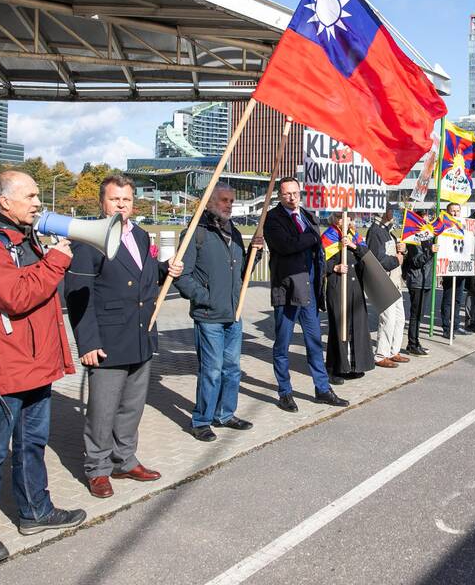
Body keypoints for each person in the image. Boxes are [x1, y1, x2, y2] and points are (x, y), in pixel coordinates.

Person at [0, 171, 85, 564]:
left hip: (35, 361)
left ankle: (35, 512)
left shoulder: (21, 239)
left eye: (38, 195)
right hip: (4, 365)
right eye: (30, 195)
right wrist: (58, 258)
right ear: (5, 202)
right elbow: (17, 295)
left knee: (32, 443)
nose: (38, 202)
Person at [65, 175, 183, 497]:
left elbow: (143, 276)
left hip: (140, 333)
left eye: (127, 200)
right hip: (107, 340)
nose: (121, 205)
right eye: (115, 199)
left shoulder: (142, 237)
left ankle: (125, 459)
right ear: (103, 203)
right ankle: (98, 468)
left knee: (132, 406)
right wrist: (88, 343)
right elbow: (78, 295)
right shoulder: (89, 240)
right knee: (102, 411)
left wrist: (165, 269)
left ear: (133, 203)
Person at [173, 182, 255, 443]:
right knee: (211, 369)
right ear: (209, 202)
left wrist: (256, 254)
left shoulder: (236, 233)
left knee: (232, 368)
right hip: (209, 317)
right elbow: (182, 276)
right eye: (223, 200)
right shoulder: (196, 233)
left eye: (231, 200)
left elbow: (242, 274)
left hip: (234, 314)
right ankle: (202, 420)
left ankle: (225, 413)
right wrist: (205, 299)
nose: (228, 205)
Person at [263, 177, 348, 412]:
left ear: (300, 192)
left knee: (314, 343)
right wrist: (311, 238)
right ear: (280, 196)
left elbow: (318, 251)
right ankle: (285, 392)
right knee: (282, 344)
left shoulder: (309, 216)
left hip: (310, 290)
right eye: (287, 194)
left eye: (295, 193)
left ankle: (322, 389)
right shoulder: (272, 219)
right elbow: (286, 246)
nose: (292, 197)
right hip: (288, 290)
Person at [324, 213, 375, 377]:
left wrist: (353, 246)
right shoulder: (328, 236)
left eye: (348, 218)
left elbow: (367, 255)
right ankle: (338, 367)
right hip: (338, 285)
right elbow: (317, 262)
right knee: (340, 327)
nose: (345, 221)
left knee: (357, 327)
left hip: (355, 286)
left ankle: (356, 365)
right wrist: (334, 268)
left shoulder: (355, 236)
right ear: (334, 219)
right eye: (341, 218)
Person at [366, 207, 408, 367]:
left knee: (399, 318)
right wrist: (396, 260)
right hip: (384, 281)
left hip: (395, 281)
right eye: (391, 211)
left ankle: (393, 351)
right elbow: (377, 258)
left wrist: (403, 251)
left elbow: (395, 253)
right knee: (388, 319)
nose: (394, 214)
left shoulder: (388, 230)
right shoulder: (375, 231)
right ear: (383, 213)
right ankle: (381, 355)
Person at [401, 226, 435, 356]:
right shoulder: (413, 240)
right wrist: (430, 252)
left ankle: (416, 341)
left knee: (420, 314)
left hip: (426, 280)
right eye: (424, 222)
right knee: (415, 314)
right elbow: (416, 261)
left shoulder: (429, 239)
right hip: (417, 281)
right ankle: (412, 344)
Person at [440, 202, 469, 338]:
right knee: (448, 299)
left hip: (461, 267)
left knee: (458, 299)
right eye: (452, 211)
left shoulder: (464, 226)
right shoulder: (443, 226)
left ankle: (456, 325)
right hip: (449, 268)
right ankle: (446, 328)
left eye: (457, 211)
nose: (455, 213)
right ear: (447, 212)